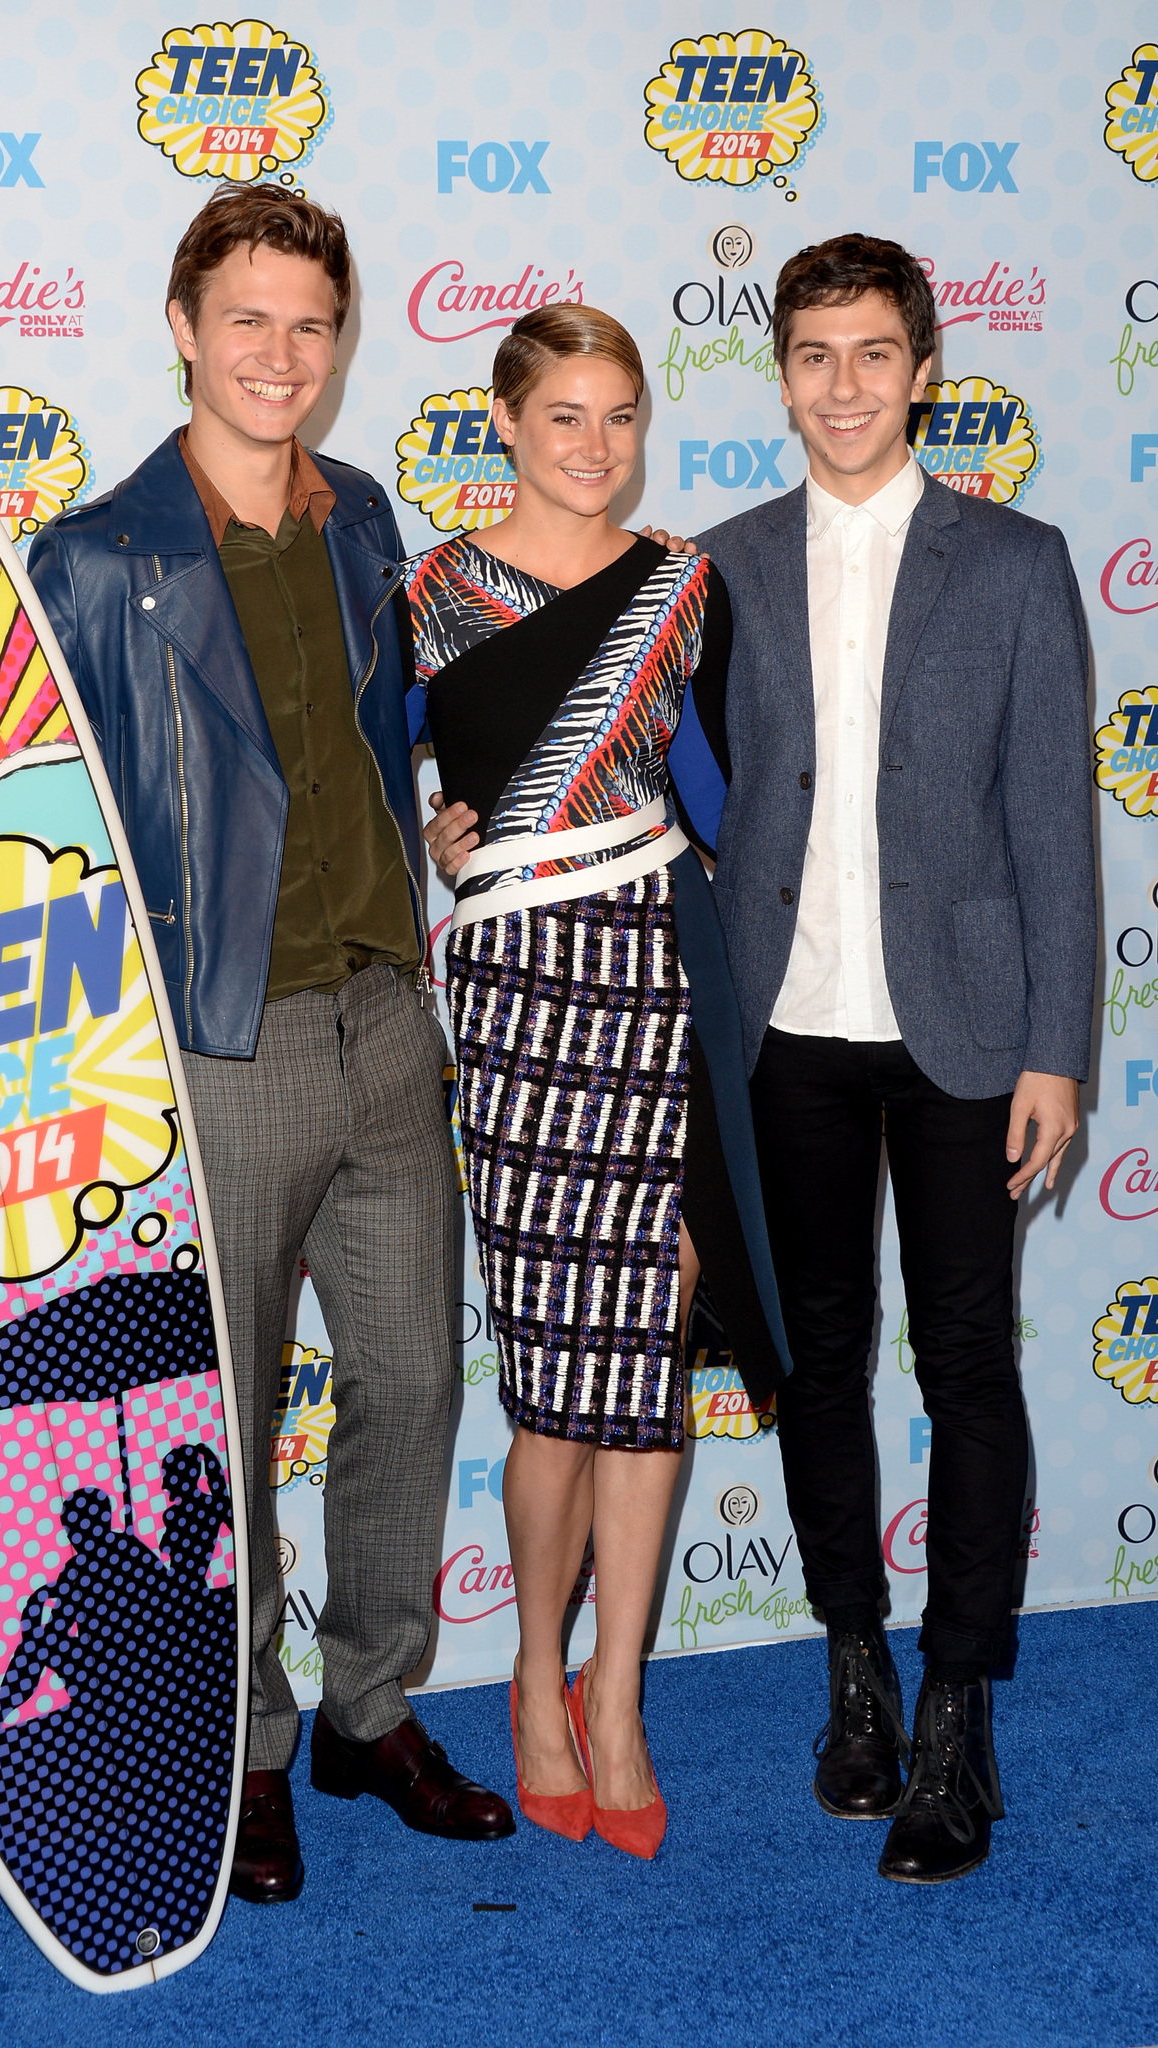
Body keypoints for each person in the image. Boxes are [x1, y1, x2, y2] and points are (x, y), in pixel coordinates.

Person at [0, 181, 515, 1903]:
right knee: (236, 1405)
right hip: (218, 1043)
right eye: (249, 321)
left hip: (389, 1017)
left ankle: (370, 1708)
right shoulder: (92, 555)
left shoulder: (368, 519)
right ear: (184, 328)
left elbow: (395, 732)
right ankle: (255, 1745)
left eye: (310, 324)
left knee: (415, 1386)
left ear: (338, 343)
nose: (279, 354)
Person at [699, 234, 1095, 1883]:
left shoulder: (1011, 561)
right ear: (778, 370)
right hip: (784, 1032)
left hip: (964, 1036)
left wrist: (1056, 1052)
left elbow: (1053, 829)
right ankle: (851, 1670)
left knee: (966, 1373)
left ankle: (955, 1713)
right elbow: (671, 803)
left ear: (920, 367)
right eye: (812, 353)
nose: (842, 385)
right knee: (813, 1366)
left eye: (873, 353)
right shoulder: (712, 565)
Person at [417, 304, 790, 1858]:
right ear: (504, 420)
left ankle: (617, 1697)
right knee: (556, 1375)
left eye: (620, 415)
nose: (594, 444)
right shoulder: (428, 593)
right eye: (563, 414)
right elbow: (401, 780)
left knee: (644, 1349)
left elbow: (723, 786)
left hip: (660, 973)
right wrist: (443, 827)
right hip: (515, 999)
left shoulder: (682, 585)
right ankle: (527, 1676)